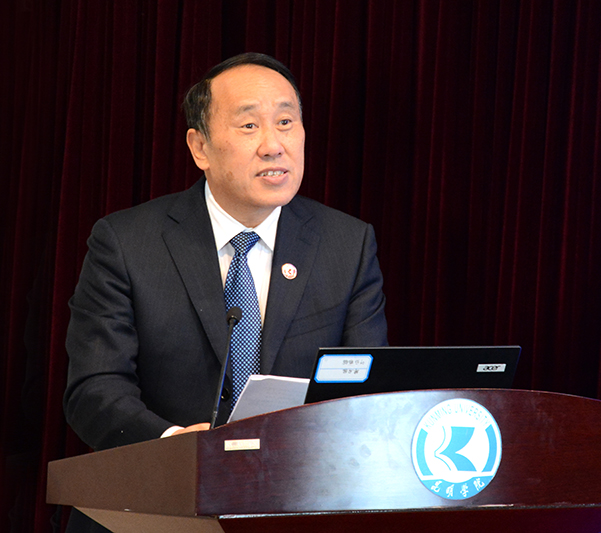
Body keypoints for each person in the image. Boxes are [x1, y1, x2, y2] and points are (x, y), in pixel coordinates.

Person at [63, 53, 387, 532]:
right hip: (155, 505)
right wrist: (174, 445)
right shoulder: (127, 243)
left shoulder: (347, 244)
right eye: (249, 126)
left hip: (293, 506)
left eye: (285, 122)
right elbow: (94, 388)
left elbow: (367, 393)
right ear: (200, 147)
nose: (274, 146)